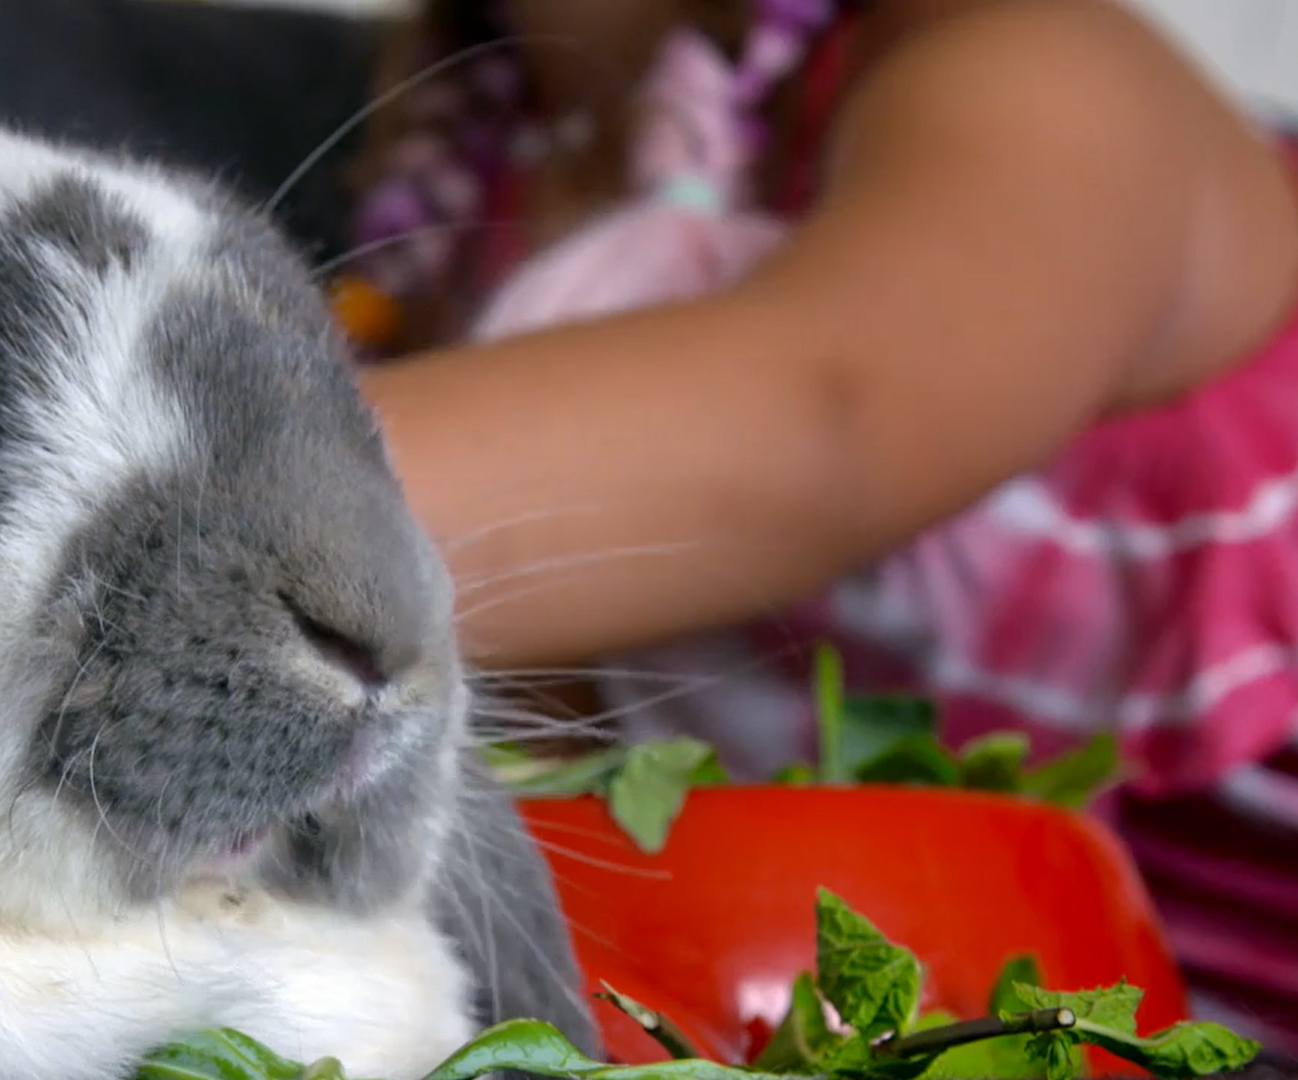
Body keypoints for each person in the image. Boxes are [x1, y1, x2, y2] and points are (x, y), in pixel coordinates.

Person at [328, 0, 1298, 1055]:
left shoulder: (1044, 78)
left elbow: (829, 420)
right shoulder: (475, 154)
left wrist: (177, 503)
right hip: (874, 992)